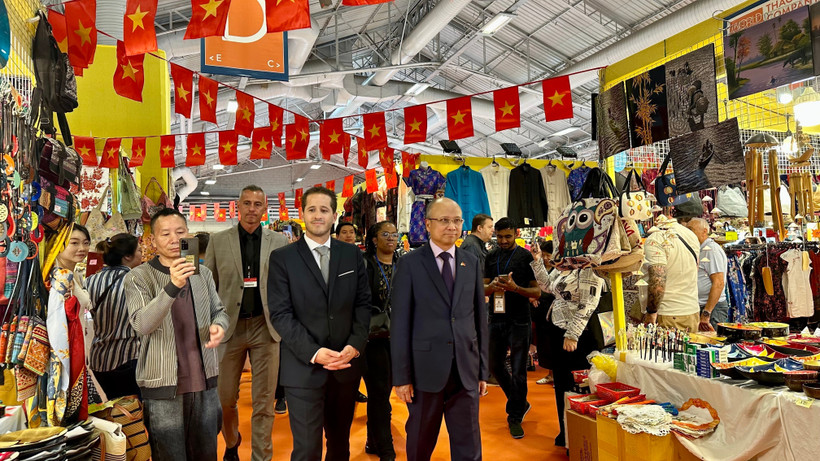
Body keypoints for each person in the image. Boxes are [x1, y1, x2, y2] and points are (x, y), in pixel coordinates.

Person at [268, 186, 371, 461]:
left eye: (324, 210)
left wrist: (355, 344)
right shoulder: (282, 259)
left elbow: (363, 305)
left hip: (345, 366)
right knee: (307, 449)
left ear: (334, 215)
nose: (317, 215)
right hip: (303, 369)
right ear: (302, 214)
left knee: (340, 446)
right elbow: (280, 314)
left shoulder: (351, 255)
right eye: (311, 209)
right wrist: (314, 353)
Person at [124, 208, 229, 461]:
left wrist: (219, 326)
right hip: (163, 387)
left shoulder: (202, 273)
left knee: (207, 454)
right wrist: (172, 286)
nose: (174, 239)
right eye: (165, 234)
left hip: (205, 382)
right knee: (170, 455)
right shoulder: (139, 277)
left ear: (188, 235)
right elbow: (141, 324)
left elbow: (220, 311)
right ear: (152, 241)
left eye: (180, 232)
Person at [391, 197, 488, 461]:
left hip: (465, 369)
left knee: (469, 444)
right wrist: (401, 376)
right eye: (444, 220)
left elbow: (479, 317)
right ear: (427, 224)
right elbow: (400, 322)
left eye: (457, 221)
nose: (451, 227)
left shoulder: (471, 262)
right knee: (420, 441)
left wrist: (482, 369)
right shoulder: (410, 263)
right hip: (425, 371)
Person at [203, 185, 289, 461]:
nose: (252, 209)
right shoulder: (219, 241)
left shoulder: (279, 241)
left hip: (266, 328)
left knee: (263, 402)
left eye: (257, 204)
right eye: (247, 203)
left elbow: (286, 285)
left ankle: (261, 456)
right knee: (225, 399)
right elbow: (209, 285)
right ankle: (231, 442)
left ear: (265, 208)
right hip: (229, 328)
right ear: (238, 206)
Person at [529, 244, 605, 448]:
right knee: (562, 387)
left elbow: (589, 303)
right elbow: (547, 286)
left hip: (578, 336)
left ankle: (581, 437)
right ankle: (566, 433)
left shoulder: (588, 267)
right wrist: (537, 261)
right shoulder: (565, 265)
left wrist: (572, 334)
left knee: (578, 387)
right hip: (557, 330)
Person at [483, 218, 541, 439]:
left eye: (508, 236)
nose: (503, 240)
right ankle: (519, 402)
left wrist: (515, 288)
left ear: (516, 233)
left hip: (519, 320)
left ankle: (515, 416)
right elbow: (483, 288)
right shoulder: (491, 256)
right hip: (496, 318)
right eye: (499, 236)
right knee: (494, 365)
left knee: (518, 371)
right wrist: (492, 287)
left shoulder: (525, 257)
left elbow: (536, 293)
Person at [86, 233, 143, 400]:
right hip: (128, 356)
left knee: (113, 407)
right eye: (139, 250)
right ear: (127, 256)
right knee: (132, 412)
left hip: (99, 358)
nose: (141, 253)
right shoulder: (136, 281)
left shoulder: (91, 280)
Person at [47, 224, 93, 427]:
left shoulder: (74, 276)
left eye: (85, 243)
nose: (81, 248)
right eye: (73, 243)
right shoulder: (59, 278)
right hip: (63, 349)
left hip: (76, 345)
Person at [362, 222, 400, 461]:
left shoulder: (403, 264)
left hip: (397, 336)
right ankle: (386, 448)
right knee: (379, 392)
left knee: (384, 391)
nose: (391, 238)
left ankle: (372, 440)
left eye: (394, 234)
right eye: (385, 234)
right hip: (372, 336)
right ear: (374, 239)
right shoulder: (365, 264)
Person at [641, 216, 700, 332]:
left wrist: (651, 312)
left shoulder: (656, 238)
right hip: (691, 311)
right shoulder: (690, 235)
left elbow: (658, 283)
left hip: (668, 314)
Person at [685, 218, 728, 331]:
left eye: (691, 229)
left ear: (704, 231)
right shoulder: (700, 249)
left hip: (712, 309)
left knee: (711, 344)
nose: (688, 233)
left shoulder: (711, 250)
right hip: (702, 307)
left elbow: (718, 283)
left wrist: (706, 313)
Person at [531, 240, 554, 386]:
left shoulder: (560, 269)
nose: (546, 258)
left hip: (554, 312)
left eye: (548, 255)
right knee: (544, 344)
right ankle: (550, 374)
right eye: (543, 255)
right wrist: (531, 296)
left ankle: (557, 375)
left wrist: (537, 295)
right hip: (540, 312)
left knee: (553, 345)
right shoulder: (539, 268)